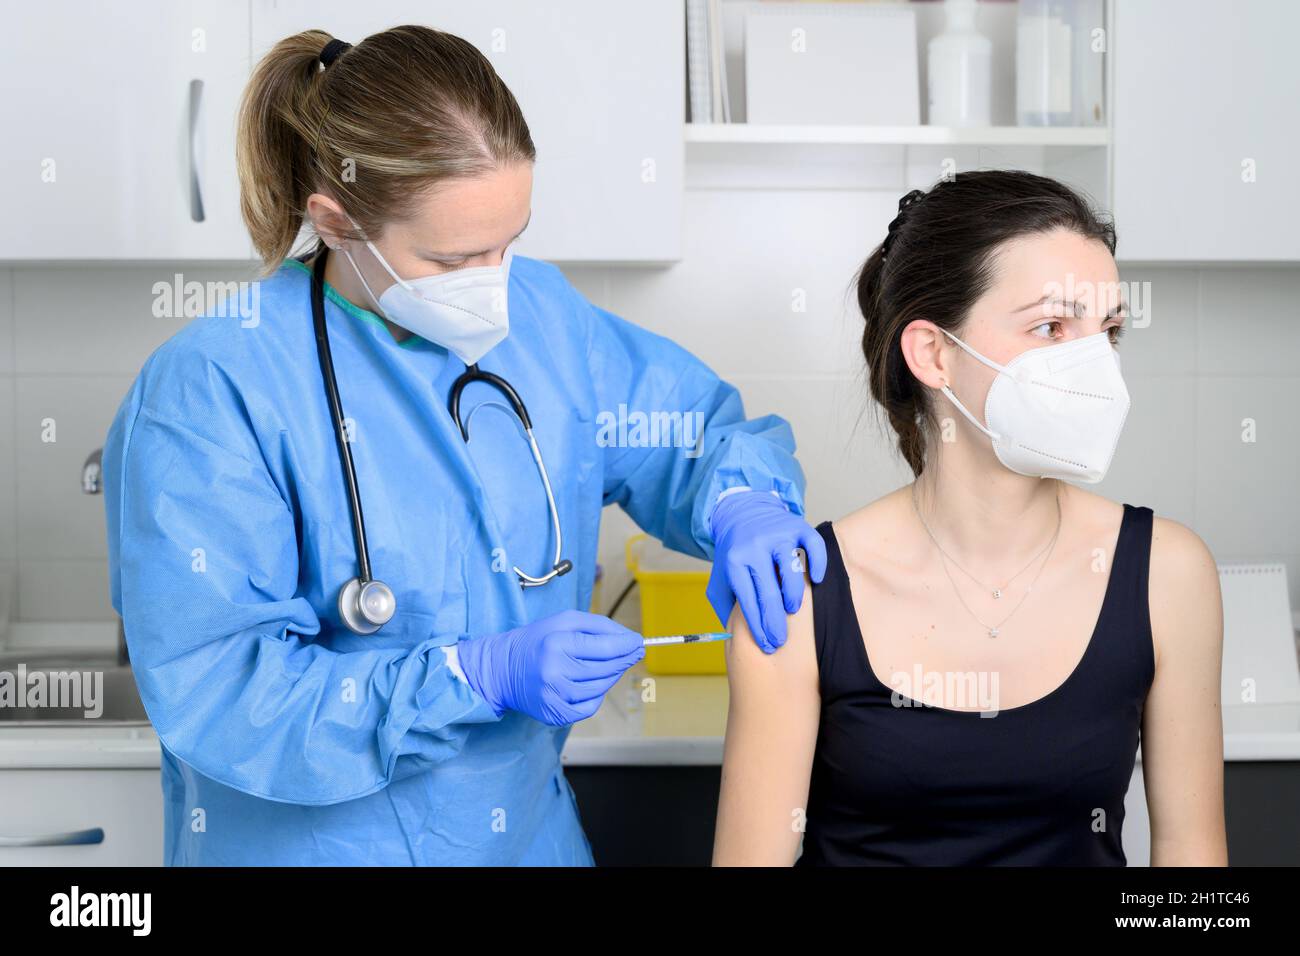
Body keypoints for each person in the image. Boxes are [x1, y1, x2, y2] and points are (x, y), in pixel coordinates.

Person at [102, 25, 825, 866]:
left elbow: (691, 433)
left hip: (525, 842)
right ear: (335, 222)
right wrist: (470, 677)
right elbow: (224, 690)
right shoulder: (213, 388)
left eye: (507, 243)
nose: (493, 283)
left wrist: (744, 502)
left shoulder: (546, 321)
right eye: (453, 257)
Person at [713, 171, 1228, 866]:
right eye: (1051, 327)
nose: (1093, 365)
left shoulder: (1168, 574)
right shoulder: (802, 593)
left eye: (1106, 331)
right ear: (934, 353)